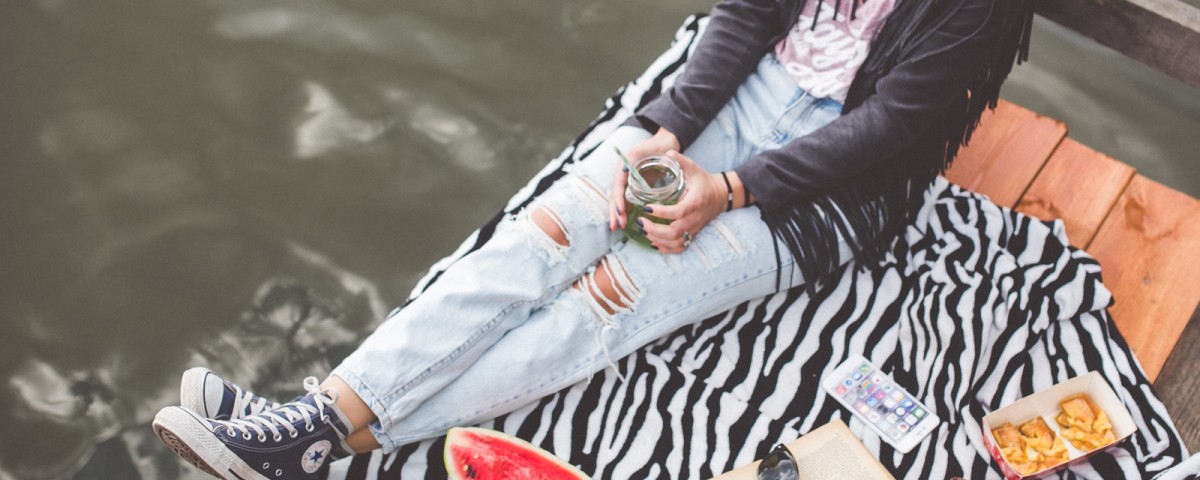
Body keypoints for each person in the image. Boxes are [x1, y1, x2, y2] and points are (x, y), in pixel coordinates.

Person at [153, 0, 1037, 478]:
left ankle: (317, 436)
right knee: (547, 230)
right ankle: (318, 418)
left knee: (612, 297)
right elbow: (745, 15)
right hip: (747, 99)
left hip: (838, 187)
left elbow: (895, 125)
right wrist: (669, 129)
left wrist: (728, 190)